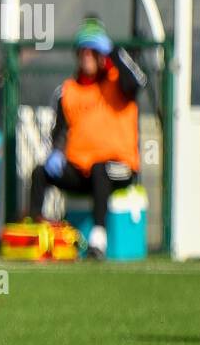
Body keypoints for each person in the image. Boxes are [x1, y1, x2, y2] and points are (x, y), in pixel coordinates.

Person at [26, 17, 145, 259]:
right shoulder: (68, 90)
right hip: (82, 169)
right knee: (40, 172)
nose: (88, 58)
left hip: (119, 167)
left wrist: (113, 51)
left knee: (100, 168)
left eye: (93, 52)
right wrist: (57, 153)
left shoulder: (118, 84)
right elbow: (59, 132)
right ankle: (35, 231)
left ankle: (98, 240)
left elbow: (137, 82)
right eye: (84, 52)